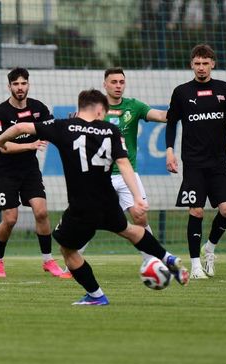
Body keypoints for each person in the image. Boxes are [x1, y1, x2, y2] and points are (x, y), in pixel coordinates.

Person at [0, 89, 189, 306]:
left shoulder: (63, 127)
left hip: (82, 206)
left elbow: (20, 128)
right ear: (100, 110)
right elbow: (124, 164)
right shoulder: (111, 130)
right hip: (108, 200)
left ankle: (96, 295)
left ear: (80, 107)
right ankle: (167, 257)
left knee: (67, 249)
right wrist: (137, 197)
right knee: (131, 230)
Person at [60, 67, 168, 277]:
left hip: (127, 174)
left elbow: (162, 116)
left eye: (121, 82)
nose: (118, 86)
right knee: (88, 218)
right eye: (114, 82)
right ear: (105, 84)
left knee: (140, 217)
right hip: (100, 176)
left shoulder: (134, 106)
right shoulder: (95, 109)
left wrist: (181, 108)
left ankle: (154, 261)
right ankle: (71, 266)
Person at [166, 44, 226, 279]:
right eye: (197, 63)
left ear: (212, 64)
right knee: (196, 211)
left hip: (219, 162)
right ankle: (196, 266)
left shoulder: (224, 89)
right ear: (191, 65)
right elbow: (171, 123)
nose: (201, 67)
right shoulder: (181, 92)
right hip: (193, 163)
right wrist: (169, 151)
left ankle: (209, 248)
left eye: (205, 63)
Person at [0, 67, 64, 278]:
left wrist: (69, 124)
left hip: (30, 170)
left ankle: (48, 260)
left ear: (28, 85)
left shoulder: (38, 108)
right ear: (9, 86)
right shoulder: (0, 113)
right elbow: (2, 146)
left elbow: (53, 128)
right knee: (10, 219)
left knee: (41, 212)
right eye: (16, 84)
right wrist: (30, 145)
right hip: (6, 172)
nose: (20, 88)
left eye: (23, 83)